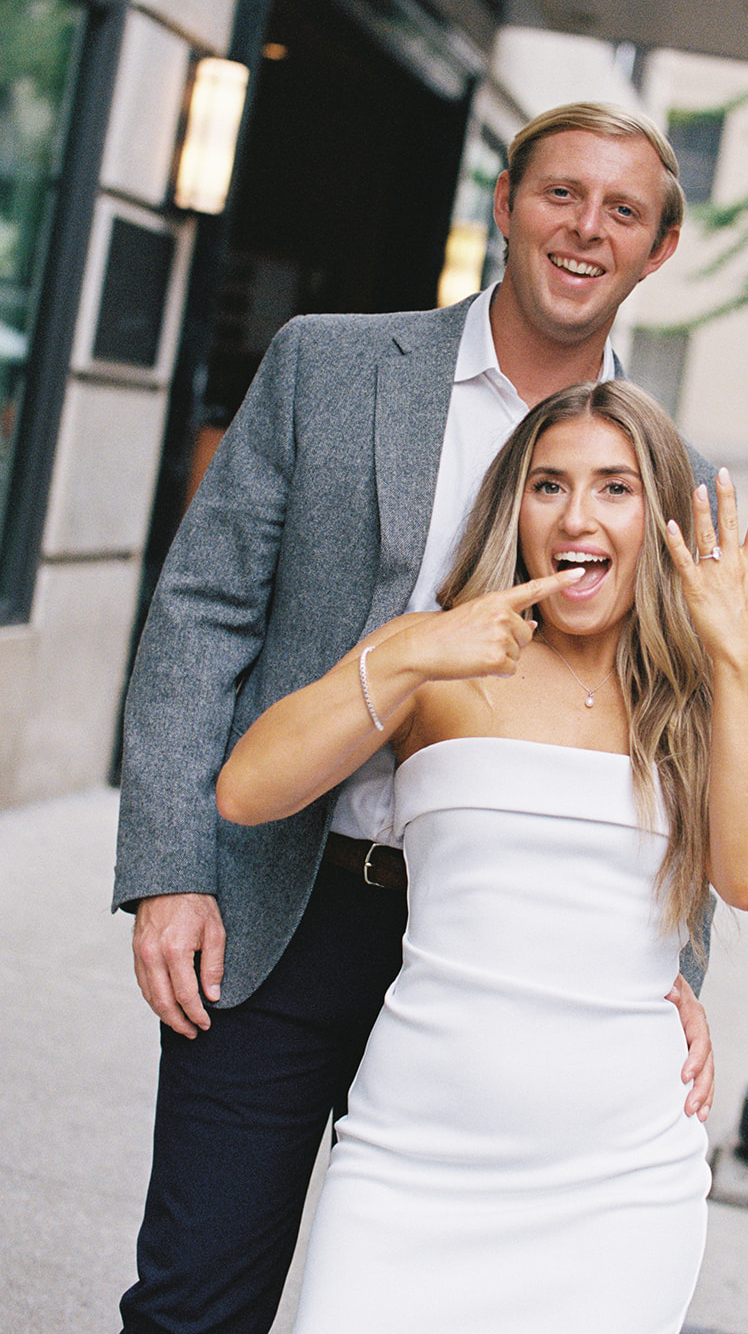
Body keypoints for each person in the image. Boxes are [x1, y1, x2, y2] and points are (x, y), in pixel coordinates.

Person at [115, 103, 717, 1334]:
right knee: (194, 1298)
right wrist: (171, 869)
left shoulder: (663, 474)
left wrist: (675, 963)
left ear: (657, 249)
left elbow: (677, 724)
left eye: (621, 211)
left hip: (510, 958)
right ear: (503, 202)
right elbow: (201, 612)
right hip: (284, 905)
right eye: (559, 194)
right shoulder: (327, 366)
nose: (583, 229)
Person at [217, 380, 748, 1334]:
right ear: (513, 508)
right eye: (548, 485)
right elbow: (248, 791)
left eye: (615, 488)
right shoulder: (443, 657)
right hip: (411, 1160)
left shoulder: (696, 693)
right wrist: (408, 654)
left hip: (620, 1185)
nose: (578, 517)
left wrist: (740, 660)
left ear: (656, 517)